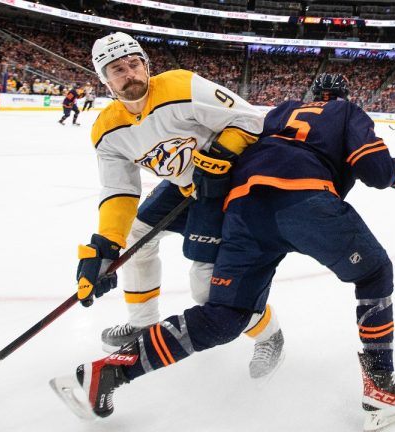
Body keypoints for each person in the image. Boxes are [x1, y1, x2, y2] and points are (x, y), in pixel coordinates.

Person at [51, 73, 395, 431]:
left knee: (225, 314)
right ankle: (382, 386)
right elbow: (373, 170)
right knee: (373, 273)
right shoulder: (346, 112)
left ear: (312, 94)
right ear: (342, 96)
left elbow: (239, 141)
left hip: (242, 209)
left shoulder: (279, 112)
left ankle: (109, 372)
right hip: (305, 200)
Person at [75, 32, 283, 376]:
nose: (129, 73)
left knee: (207, 289)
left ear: (146, 64)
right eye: (116, 70)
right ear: (104, 80)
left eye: (133, 64)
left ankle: (270, 335)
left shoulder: (181, 86)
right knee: (135, 239)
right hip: (185, 186)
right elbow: (119, 190)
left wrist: (219, 152)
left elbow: (250, 119)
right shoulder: (107, 129)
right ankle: (143, 324)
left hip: (227, 184)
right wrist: (105, 246)